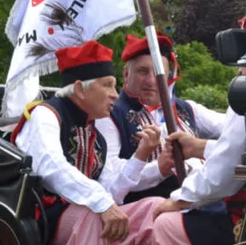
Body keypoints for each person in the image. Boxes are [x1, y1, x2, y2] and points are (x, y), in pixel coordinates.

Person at [9, 40, 164, 245]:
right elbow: (52, 167)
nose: (114, 94)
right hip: (43, 220)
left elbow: (112, 189)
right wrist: (101, 203)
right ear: (79, 88)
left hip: (80, 219)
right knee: (95, 213)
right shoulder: (45, 115)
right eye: (107, 86)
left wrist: (148, 161)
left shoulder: (93, 127)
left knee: (152, 209)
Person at [95, 33, 226, 201]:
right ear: (127, 74)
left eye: (159, 74)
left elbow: (231, 130)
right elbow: (110, 180)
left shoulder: (187, 108)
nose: (151, 81)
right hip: (148, 208)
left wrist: (200, 149)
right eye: (142, 71)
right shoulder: (109, 115)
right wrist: (158, 168)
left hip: (198, 198)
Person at [150, 109, 246, 245]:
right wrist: (199, 147)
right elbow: (241, 149)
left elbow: (226, 171)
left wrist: (181, 199)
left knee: (165, 226)